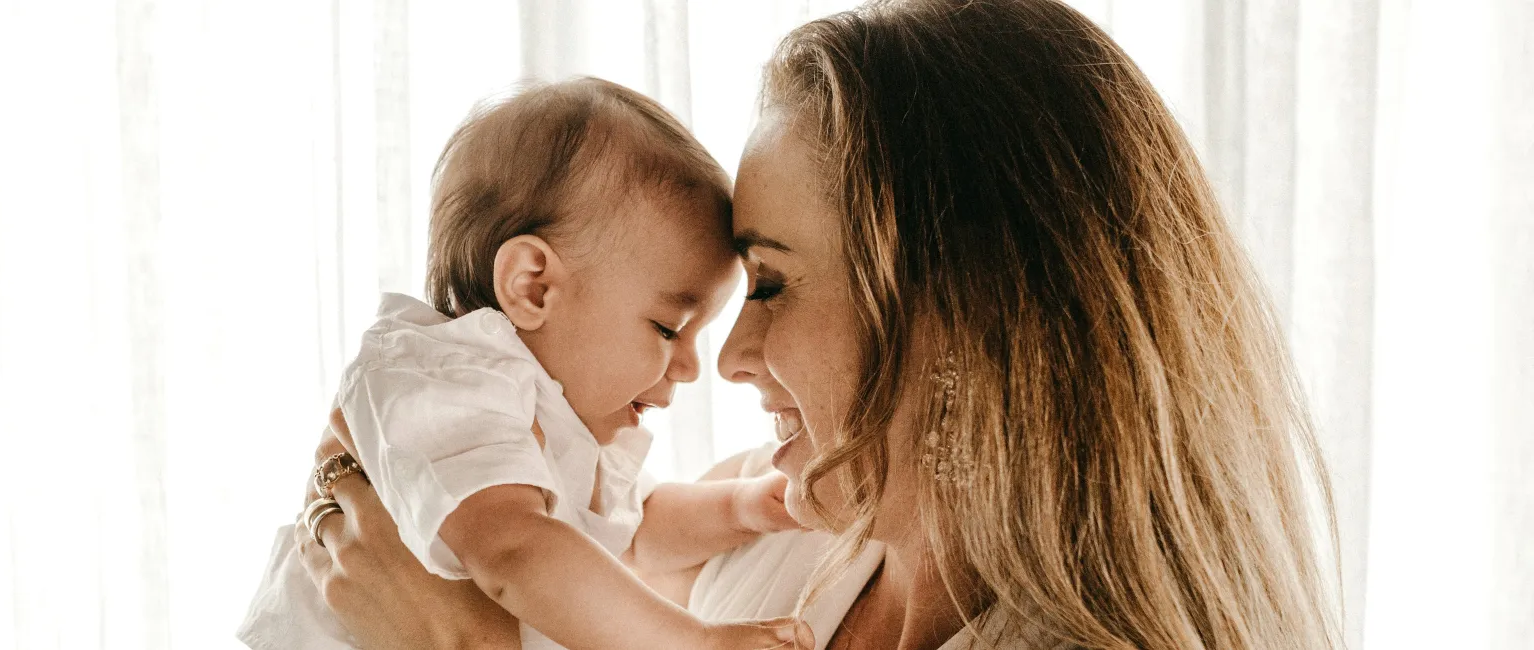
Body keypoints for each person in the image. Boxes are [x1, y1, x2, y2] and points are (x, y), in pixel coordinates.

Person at [294, 1, 1345, 648]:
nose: (728, 359)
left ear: (959, 310)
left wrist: (454, 642)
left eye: (771, 286)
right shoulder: (783, 537)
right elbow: (555, 542)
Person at [239, 77, 808, 650]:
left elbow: (634, 534)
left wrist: (742, 507)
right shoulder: (439, 380)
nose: (689, 367)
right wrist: (697, 643)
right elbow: (515, 549)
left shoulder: (550, 421)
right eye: (668, 329)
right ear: (533, 287)